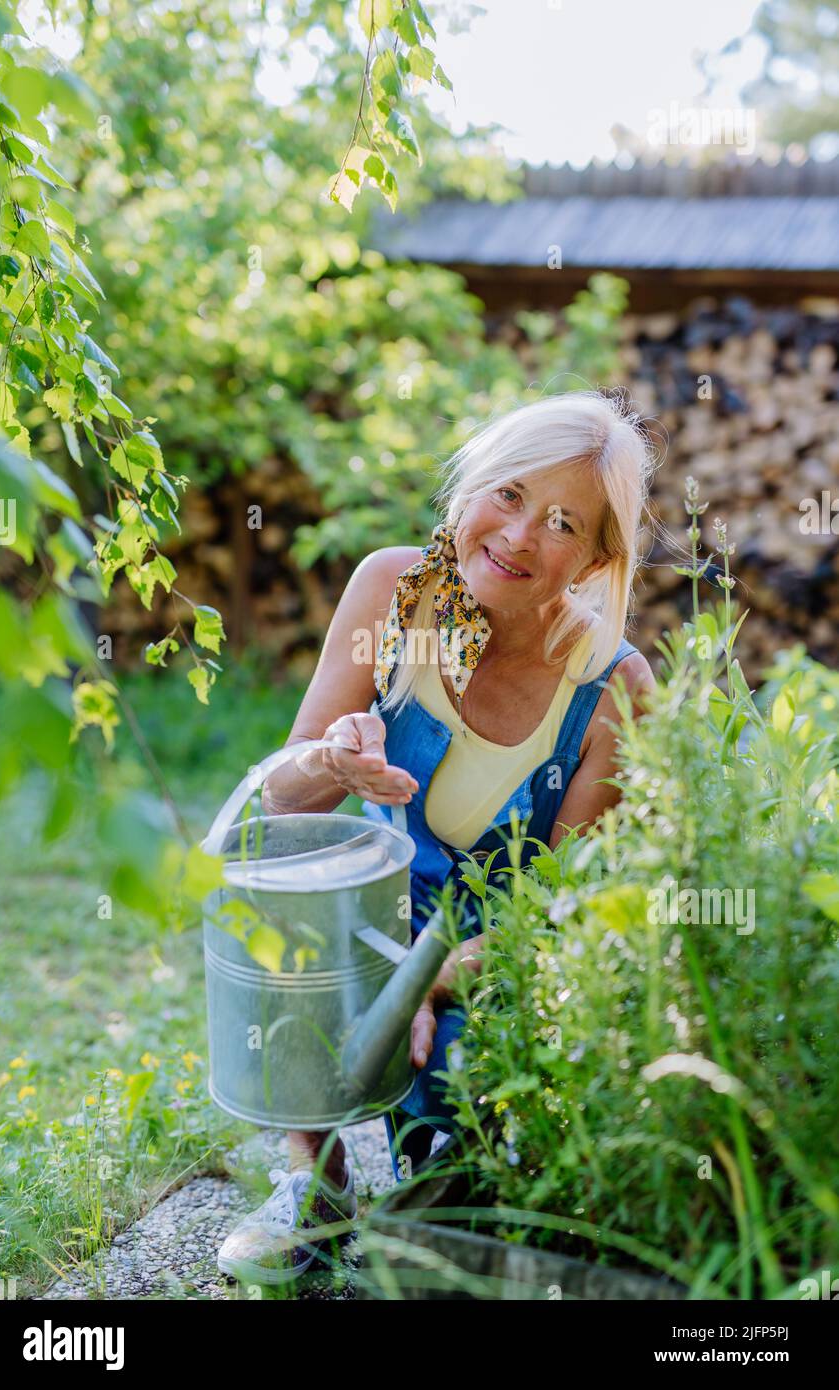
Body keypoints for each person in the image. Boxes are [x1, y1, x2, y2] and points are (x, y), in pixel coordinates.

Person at [216, 389, 657, 1284]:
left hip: (499, 956)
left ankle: (448, 1183)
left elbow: (561, 906)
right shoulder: (392, 590)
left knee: (448, 1198)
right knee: (289, 901)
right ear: (469, 489)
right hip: (372, 922)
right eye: (508, 494)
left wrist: (430, 977)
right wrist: (334, 764)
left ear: (599, 556)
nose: (521, 535)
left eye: (564, 521)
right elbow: (277, 806)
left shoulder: (610, 683)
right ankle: (314, 1182)